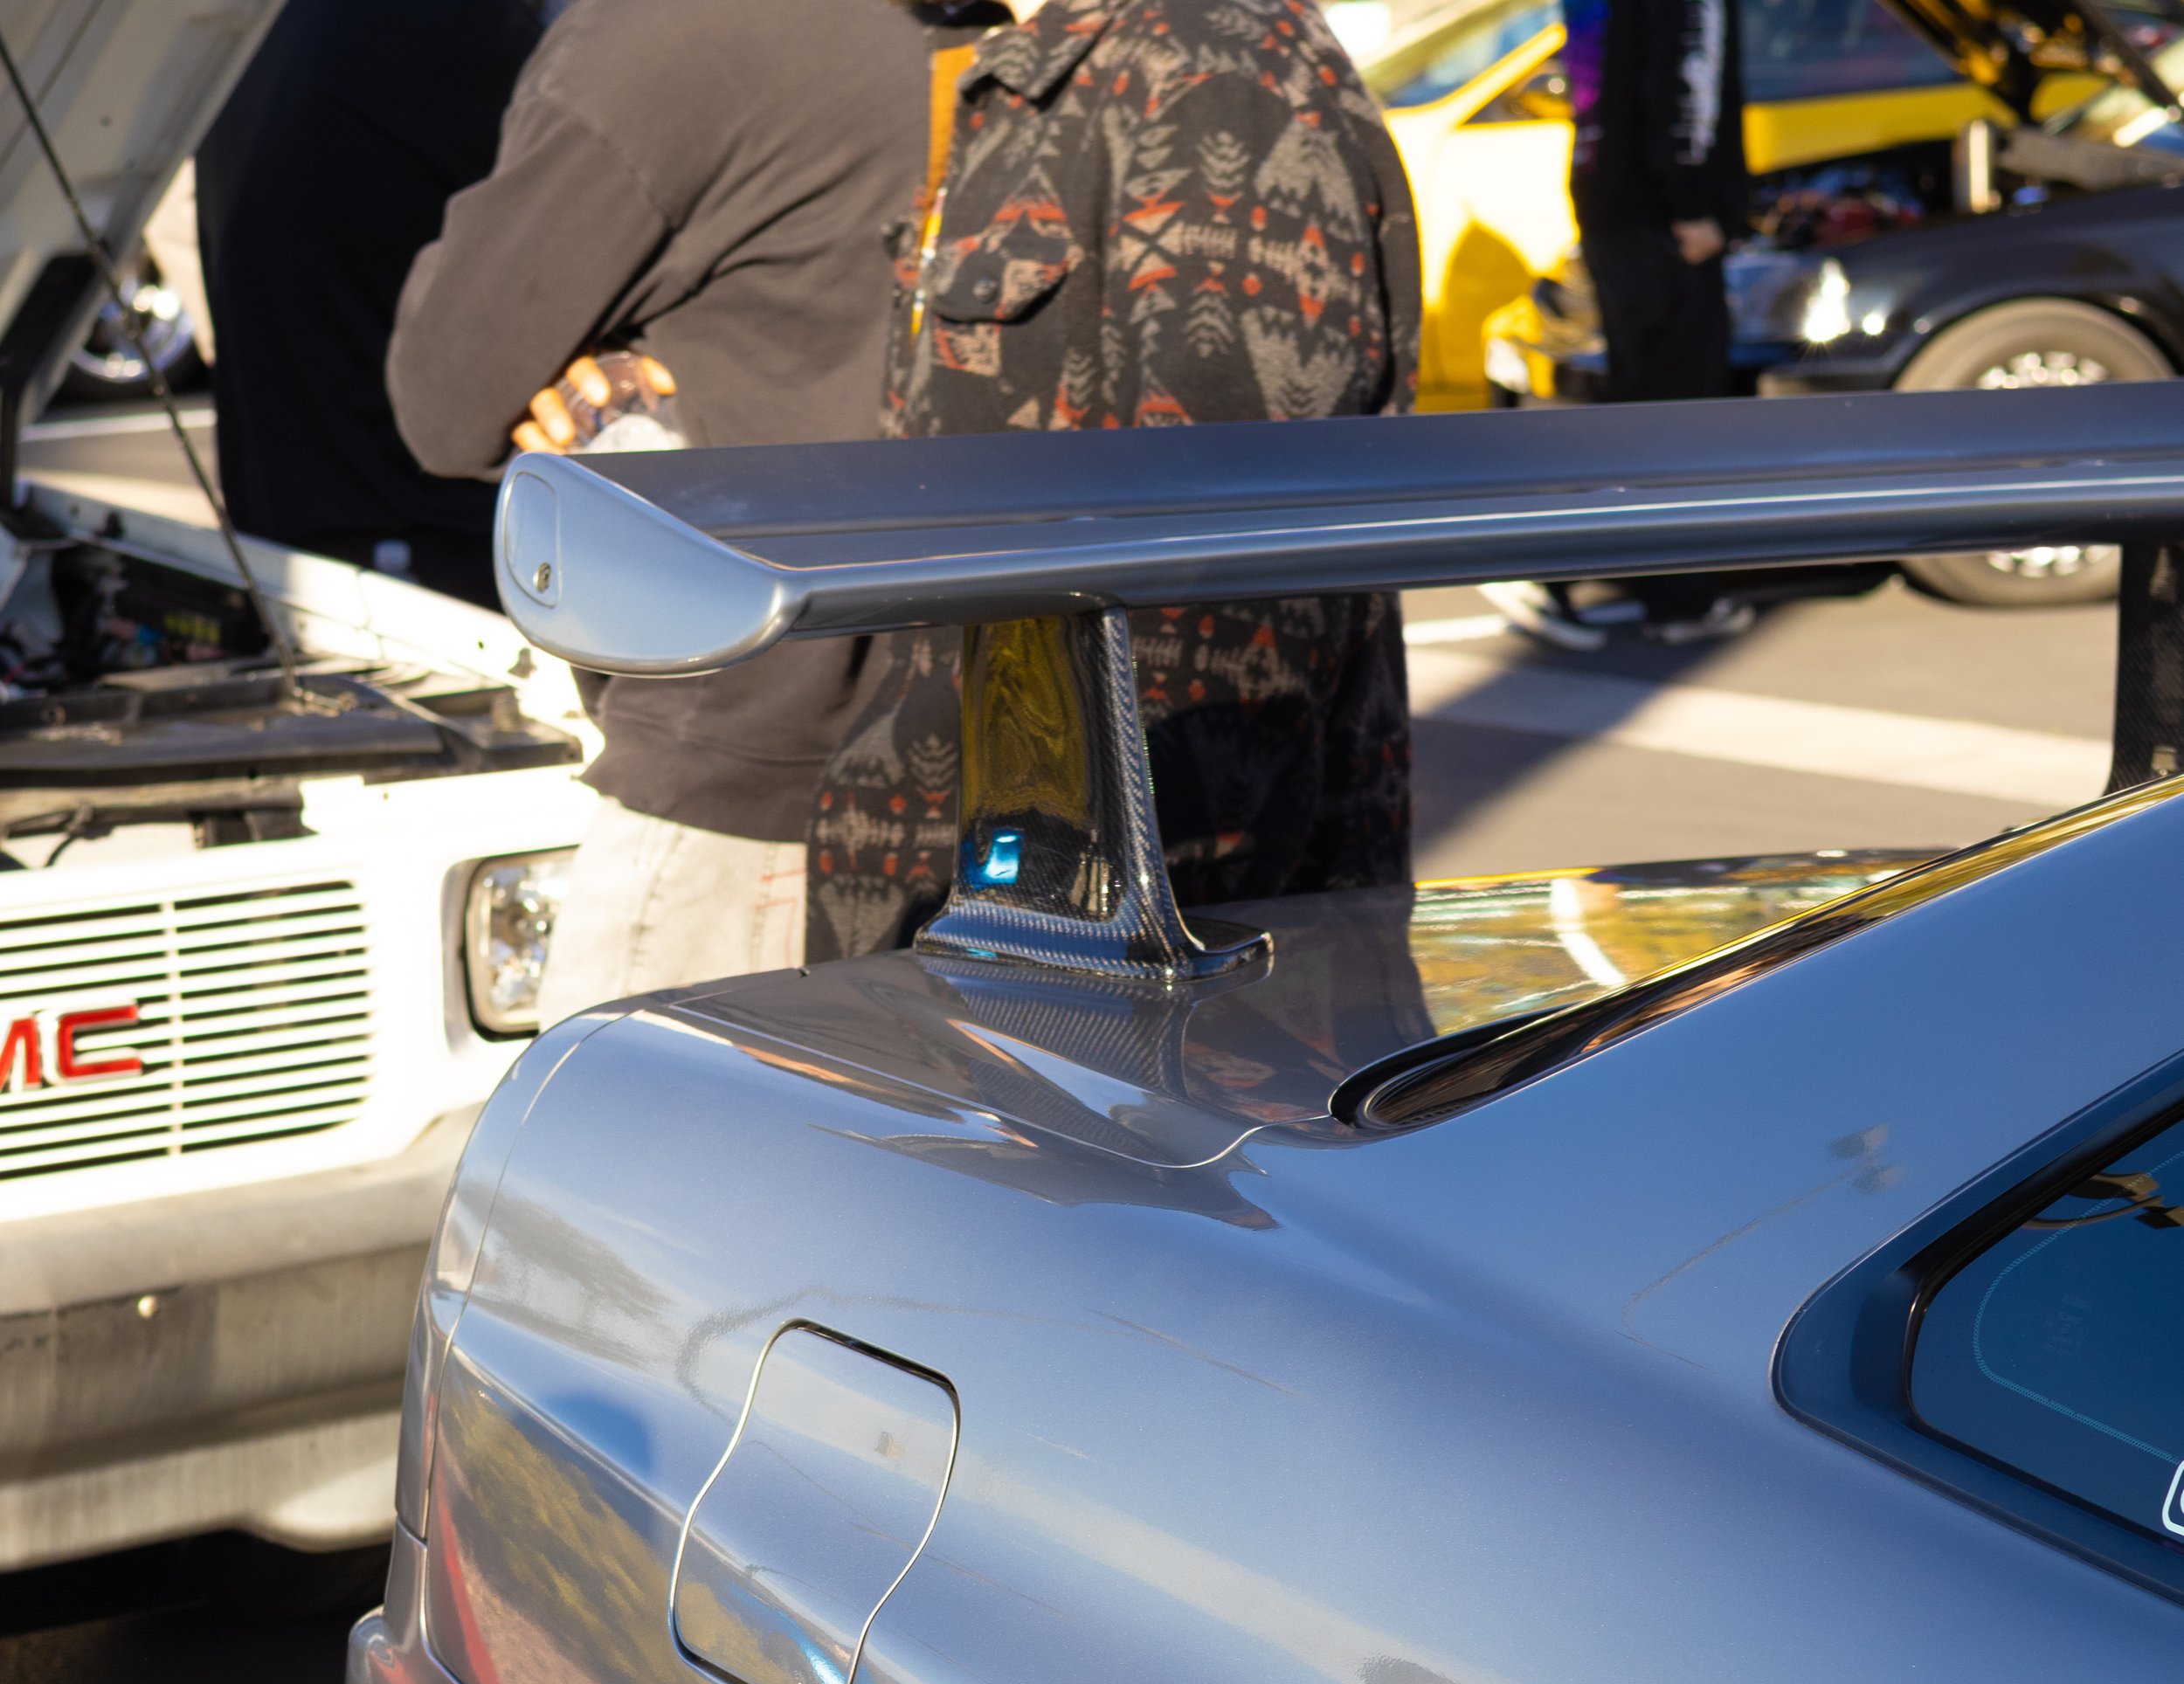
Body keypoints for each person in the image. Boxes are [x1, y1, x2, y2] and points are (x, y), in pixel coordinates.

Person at [805, 0, 1421, 965]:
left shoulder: (1216, 69)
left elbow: (1222, 624)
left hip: (1075, 975)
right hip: (987, 917)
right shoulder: (1064, 69)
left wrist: (1100, 991)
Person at [386, 0, 950, 1015]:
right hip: (964, 742)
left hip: (741, 760)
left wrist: (611, 383)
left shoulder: (661, 37)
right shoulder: (960, 26)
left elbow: (443, 390)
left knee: (601, 1163)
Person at [195, 0, 544, 611]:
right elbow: (579, 241)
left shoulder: (274, 27)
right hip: (416, 535)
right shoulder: (457, 33)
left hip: (293, 510)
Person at [1486, 0, 1753, 649]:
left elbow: (1595, 76)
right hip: (1660, 221)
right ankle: (1602, 579)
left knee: (1642, 408)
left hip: (1609, 201)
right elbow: (1689, 88)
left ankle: (1649, 589)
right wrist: (1696, 208)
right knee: (1677, 417)